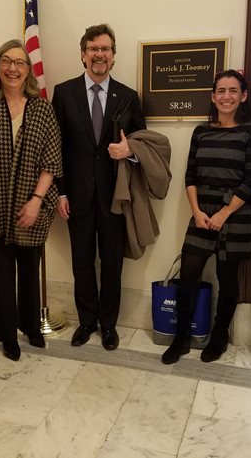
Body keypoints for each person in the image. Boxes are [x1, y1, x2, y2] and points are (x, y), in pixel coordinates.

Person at [52, 23, 146, 350]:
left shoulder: (129, 97)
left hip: (114, 199)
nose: (99, 55)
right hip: (75, 197)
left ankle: (108, 325)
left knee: (111, 265)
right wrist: (60, 191)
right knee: (81, 263)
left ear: (113, 56)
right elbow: (56, 147)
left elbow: (143, 144)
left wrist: (130, 151)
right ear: (83, 54)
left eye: (105, 49)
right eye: (93, 49)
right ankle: (86, 321)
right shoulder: (63, 94)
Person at [161, 70, 251, 365]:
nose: (226, 96)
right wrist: (196, 211)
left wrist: (223, 213)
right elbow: (189, 175)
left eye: (233, 90)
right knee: (189, 274)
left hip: (236, 213)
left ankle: (219, 337)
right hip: (201, 212)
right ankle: (181, 338)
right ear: (213, 96)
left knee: (227, 279)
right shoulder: (201, 131)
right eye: (221, 90)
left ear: (243, 96)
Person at [0, 40, 62, 361]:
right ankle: (6, 333)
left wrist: (37, 199)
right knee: (1, 271)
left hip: (32, 203)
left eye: (20, 62)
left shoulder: (42, 108)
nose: (13, 68)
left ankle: (32, 327)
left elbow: (52, 159)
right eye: (7, 61)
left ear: (28, 70)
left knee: (28, 268)